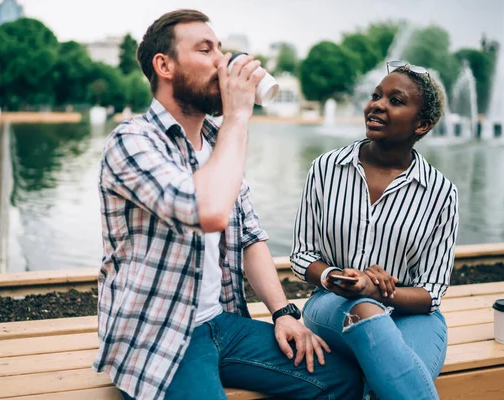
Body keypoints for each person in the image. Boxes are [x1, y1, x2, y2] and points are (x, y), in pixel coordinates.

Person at [93, 9, 363, 400]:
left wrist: (283, 313)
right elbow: (208, 210)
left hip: (221, 323)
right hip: (159, 332)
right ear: (164, 65)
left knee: (342, 379)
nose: (222, 62)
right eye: (206, 51)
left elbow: (249, 234)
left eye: (221, 49)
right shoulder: (132, 141)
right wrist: (238, 116)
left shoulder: (217, 140)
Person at [291, 62, 459, 400]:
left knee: (388, 385)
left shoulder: (442, 193)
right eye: (376, 96)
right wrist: (339, 278)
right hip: (333, 305)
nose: (377, 105)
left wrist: (381, 291)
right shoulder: (325, 168)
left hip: (414, 316)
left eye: (395, 101)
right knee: (365, 311)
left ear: (422, 125)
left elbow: (431, 292)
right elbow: (302, 256)